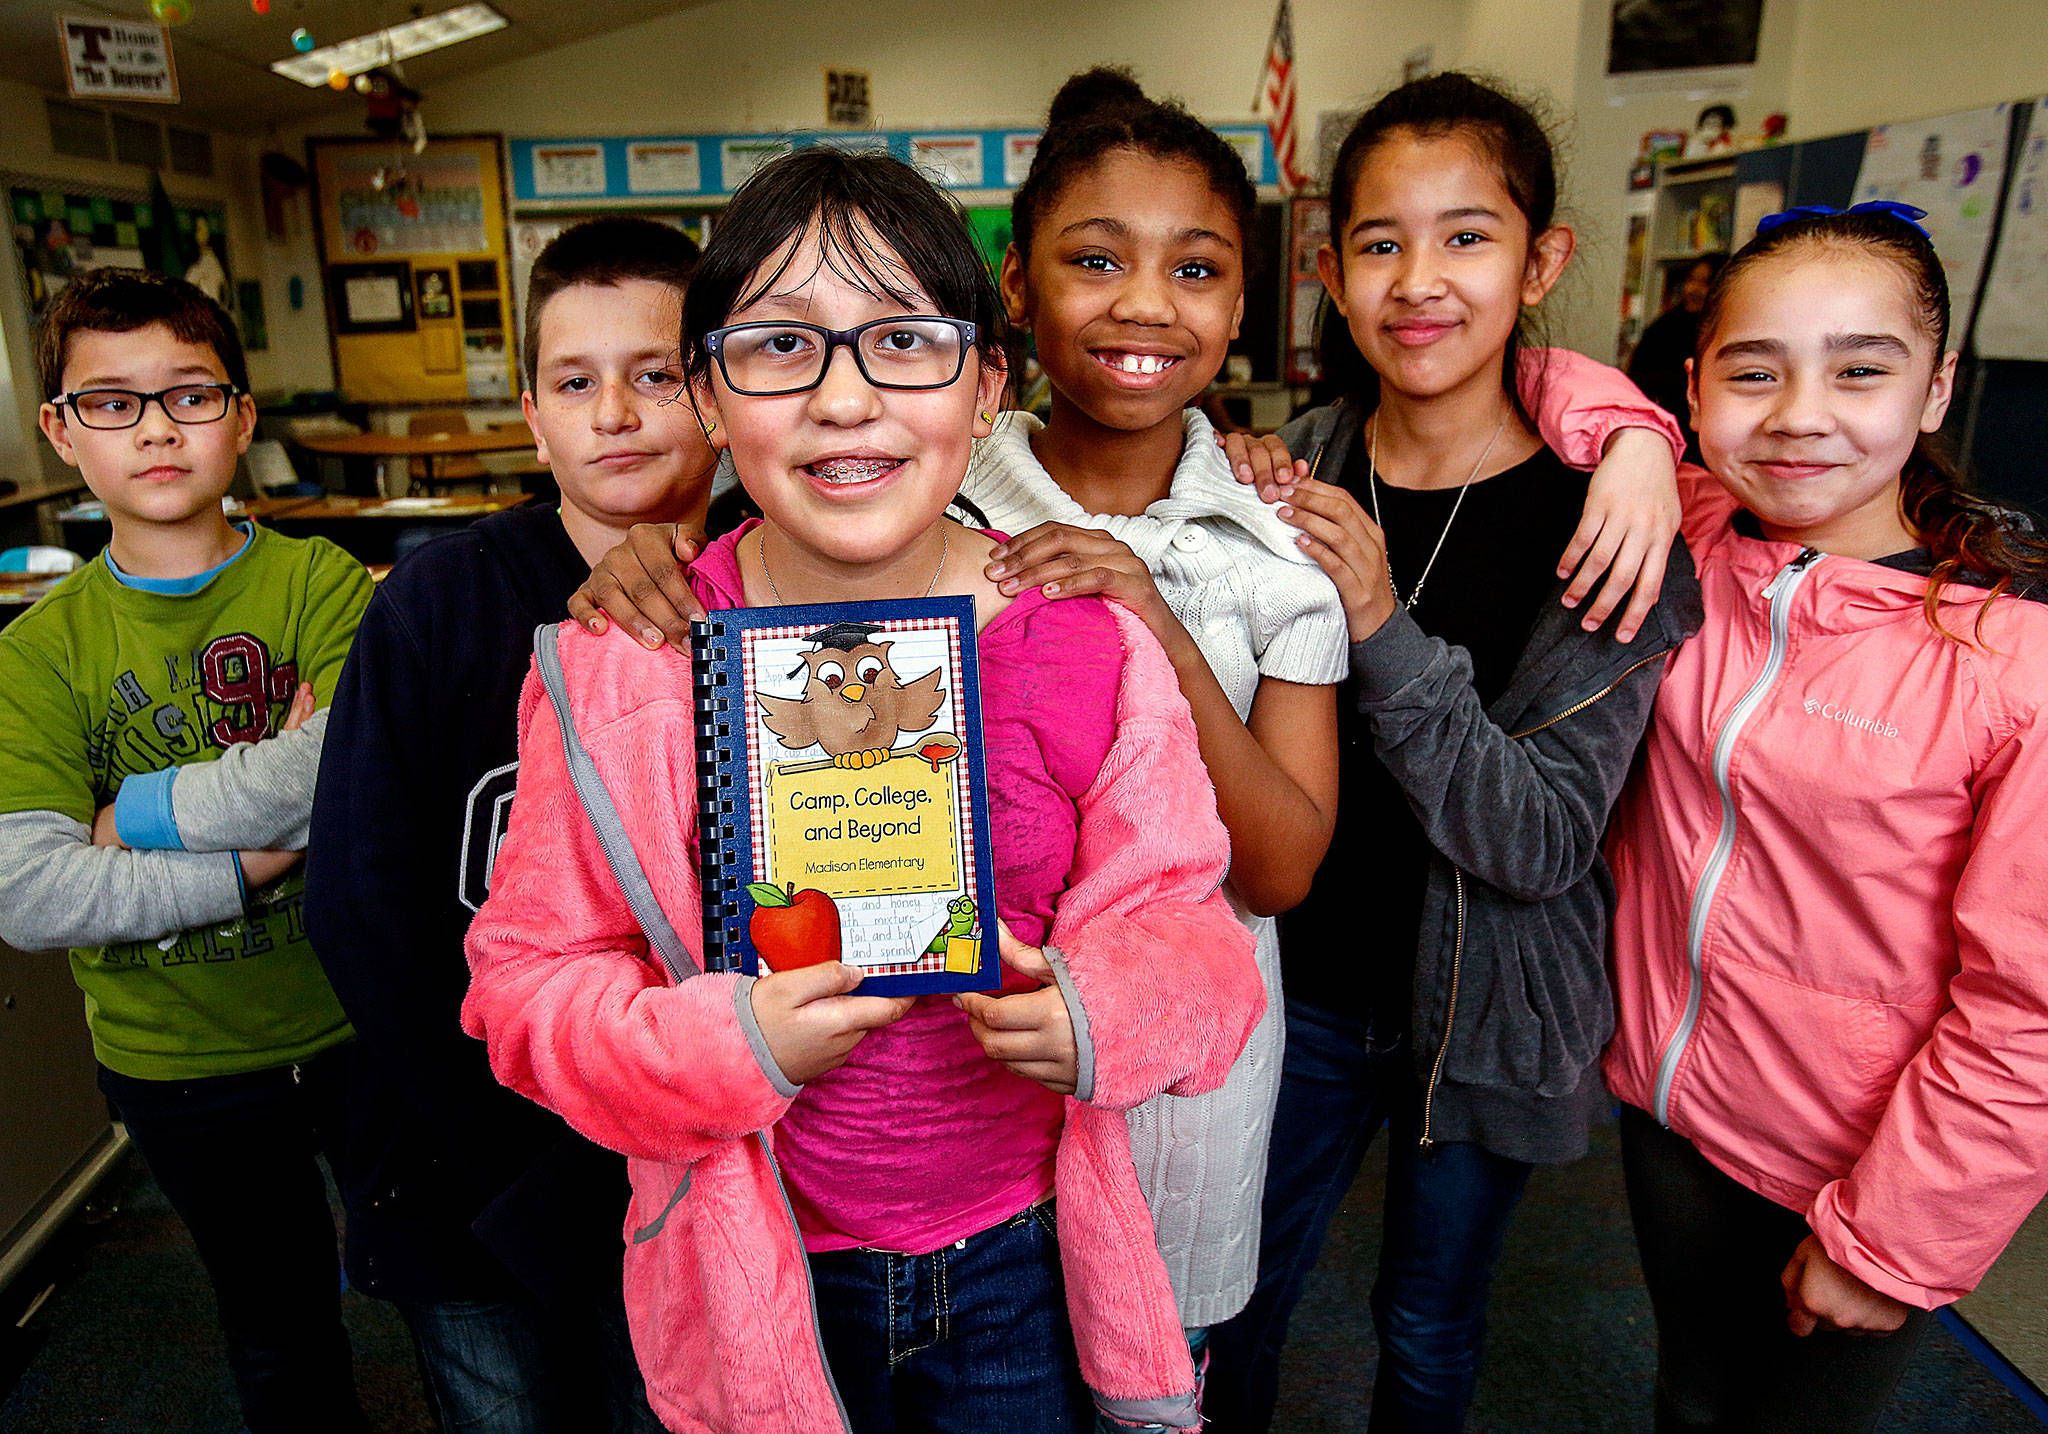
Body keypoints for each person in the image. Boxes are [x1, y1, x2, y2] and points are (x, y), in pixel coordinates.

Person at [460, 147, 1265, 1434]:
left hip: (1026, 1260)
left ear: (987, 381)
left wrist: (1101, 1007)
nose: (844, 400)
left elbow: (1199, 942)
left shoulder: (1082, 642)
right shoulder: (632, 664)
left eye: (904, 340)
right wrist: (721, 1048)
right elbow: (523, 987)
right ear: (711, 396)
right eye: (778, 348)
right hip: (755, 1260)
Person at [1202, 72, 1704, 1433]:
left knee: (1426, 1324)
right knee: (1226, 1301)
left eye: (1468, 235)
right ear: (1333, 266)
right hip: (1293, 989)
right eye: (1381, 241)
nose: (1421, 280)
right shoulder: (1283, 475)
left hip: (1489, 1013)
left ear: (1542, 259)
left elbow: (1543, 838)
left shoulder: (1612, 532)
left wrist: (1380, 620)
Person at [1604, 203, 2048, 1434]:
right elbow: (1545, 380)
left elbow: (2029, 1010)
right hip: (1668, 1112)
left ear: (1935, 386)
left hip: (1850, 1166)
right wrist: (1640, 446)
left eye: (1860, 369)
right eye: (1754, 370)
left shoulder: (2011, 661)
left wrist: (1889, 1242)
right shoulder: (1688, 539)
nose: (1800, 413)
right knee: (1688, 1398)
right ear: (1693, 387)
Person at [304, 217, 720, 1433]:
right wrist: (513, 1160)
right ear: (532, 415)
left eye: (655, 374)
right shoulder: (434, 604)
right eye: (574, 382)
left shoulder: (776, 595)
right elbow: (361, 911)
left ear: (714, 385)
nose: (616, 413)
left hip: (685, 1158)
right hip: (467, 1166)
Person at [0, 268, 372, 1433]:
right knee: (280, 1329)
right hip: (180, 1060)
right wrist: (251, 860)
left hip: (363, 1020)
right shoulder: (37, 652)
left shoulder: (320, 580)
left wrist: (134, 819)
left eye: (190, 396)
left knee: (450, 1286)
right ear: (61, 430)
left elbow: (347, 777)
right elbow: (30, 891)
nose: (156, 427)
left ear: (243, 416)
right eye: (111, 402)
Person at [1629, 253, 1726, 462]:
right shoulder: (1664, 327)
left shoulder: (1728, 332)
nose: (1692, 289)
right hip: (1662, 438)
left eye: (1704, 283)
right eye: (1691, 280)